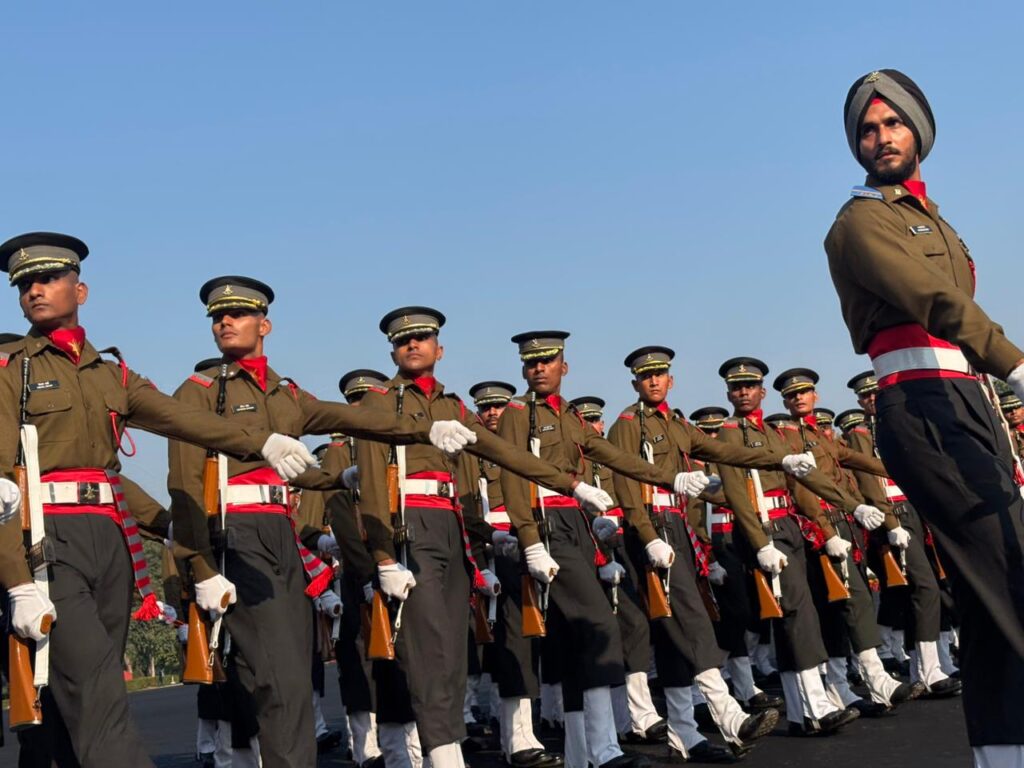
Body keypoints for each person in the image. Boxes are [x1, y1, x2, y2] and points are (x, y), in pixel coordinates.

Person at [0, 233, 316, 767]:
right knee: (95, 682)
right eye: (24, 283)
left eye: (49, 278)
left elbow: (183, 419)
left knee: (76, 696)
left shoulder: (112, 373)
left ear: (81, 289)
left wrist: (257, 441)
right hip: (46, 542)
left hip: (109, 540)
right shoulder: (12, 367)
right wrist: (16, 581)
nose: (35, 289)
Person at [167, 285, 475, 768]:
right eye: (218, 317)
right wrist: (199, 569)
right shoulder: (199, 392)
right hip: (234, 534)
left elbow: (355, 419)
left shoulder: (286, 393)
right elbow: (183, 487)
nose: (225, 322)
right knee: (268, 675)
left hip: (280, 535)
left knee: (291, 672)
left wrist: (414, 434)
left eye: (238, 314)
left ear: (264, 325)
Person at [826, 68, 1024, 766]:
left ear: (920, 132)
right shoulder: (861, 221)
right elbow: (929, 295)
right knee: (1009, 576)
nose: (881, 138)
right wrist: (1015, 362)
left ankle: (1004, 752)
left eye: (892, 123)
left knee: (992, 590)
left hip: (963, 400)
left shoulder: (933, 218)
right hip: (924, 404)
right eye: (868, 130)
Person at [357, 309, 612, 768]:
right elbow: (375, 485)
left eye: (422, 338)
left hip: (451, 528)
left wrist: (572, 485)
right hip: (408, 526)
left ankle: (447, 750)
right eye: (403, 341)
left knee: (454, 650)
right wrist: (383, 558)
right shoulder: (378, 403)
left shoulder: (452, 407)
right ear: (393, 350)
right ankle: (444, 758)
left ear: (439, 348)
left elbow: (506, 454)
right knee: (432, 648)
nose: (413, 346)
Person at [712, 357, 864, 736]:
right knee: (795, 613)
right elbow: (736, 493)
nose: (743, 392)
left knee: (797, 614)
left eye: (750, 386)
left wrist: (852, 505)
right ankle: (814, 704)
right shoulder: (730, 433)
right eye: (736, 387)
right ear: (729, 393)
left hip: (789, 526)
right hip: (765, 530)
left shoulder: (773, 433)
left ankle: (802, 713)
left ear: (762, 392)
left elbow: (804, 478)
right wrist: (760, 543)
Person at [772, 368, 913, 714]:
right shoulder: (788, 436)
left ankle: (839, 686)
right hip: (822, 525)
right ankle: (875, 676)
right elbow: (803, 488)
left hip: (842, 519)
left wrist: (894, 468)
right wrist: (827, 531)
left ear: (815, 396)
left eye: (804, 392)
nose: (799, 398)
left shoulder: (817, 434)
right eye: (792, 395)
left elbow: (849, 458)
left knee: (836, 608)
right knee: (854, 600)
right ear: (785, 402)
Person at [842, 372, 959, 697]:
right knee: (923, 588)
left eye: (874, 394)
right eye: (865, 397)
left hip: (915, 509)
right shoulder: (860, 434)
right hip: (893, 515)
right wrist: (892, 525)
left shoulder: (895, 424)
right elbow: (868, 482)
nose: (871, 400)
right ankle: (927, 669)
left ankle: (929, 665)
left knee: (926, 588)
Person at [470, 380, 562, 768]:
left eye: (499, 407)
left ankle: (527, 727)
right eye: (486, 408)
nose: (493, 414)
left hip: (528, 547)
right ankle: (517, 737)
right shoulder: (468, 452)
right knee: (506, 646)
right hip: (490, 553)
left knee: (531, 642)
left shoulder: (523, 448)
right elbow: (465, 509)